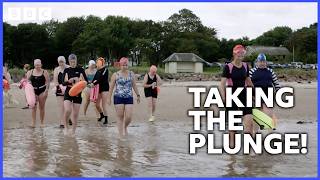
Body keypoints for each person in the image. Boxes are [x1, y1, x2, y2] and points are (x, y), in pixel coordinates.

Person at [219, 45, 254, 147]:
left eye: (242, 53)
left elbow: (248, 81)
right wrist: (224, 98)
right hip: (231, 95)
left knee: (249, 122)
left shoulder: (246, 66)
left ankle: (249, 147)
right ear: (234, 53)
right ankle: (232, 147)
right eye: (239, 53)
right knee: (233, 125)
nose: (241, 55)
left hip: (244, 94)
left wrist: (255, 94)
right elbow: (222, 84)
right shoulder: (228, 67)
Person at [108, 57, 140, 138]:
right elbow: (111, 88)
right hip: (118, 97)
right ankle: (120, 134)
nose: (124, 66)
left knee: (129, 116)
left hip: (129, 97)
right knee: (120, 116)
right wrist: (109, 98)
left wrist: (138, 95)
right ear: (120, 65)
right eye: (123, 65)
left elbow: (134, 85)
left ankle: (125, 127)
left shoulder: (131, 74)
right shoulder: (115, 75)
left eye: (126, 65)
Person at [249, 53, 280, 128]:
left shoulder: (270, 71)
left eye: (263, 61)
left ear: (266, 62)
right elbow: (247, 84)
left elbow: (276, 84)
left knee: (268, 114)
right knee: (256, 115)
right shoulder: (252, 71)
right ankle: (255, 133)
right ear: (257, 62)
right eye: (260, 61)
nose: (262, 63)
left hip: (268, 95)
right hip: (255, 96)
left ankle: (271, 130)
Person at [62, 54, 88, 136]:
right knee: (68, 110)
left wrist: (80, 80)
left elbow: (86, 82)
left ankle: (73, 131)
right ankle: (66, 128)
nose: (73, 63)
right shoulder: (66, 70)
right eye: (71, 62)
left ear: (76, 61)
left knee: (75, 114)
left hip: (78, 92)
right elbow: (63, 83)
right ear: (69, 61)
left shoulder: (80, 70)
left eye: (74, 61)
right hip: (68, 92)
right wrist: (69, 81)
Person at [26, 59, 50, 128]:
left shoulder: (44, 72)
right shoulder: (30, 72)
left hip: (42, 90)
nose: (37, 66)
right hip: (33, 91)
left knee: (41, 107)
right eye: (36, 65)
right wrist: (28, 93)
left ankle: (42, 123)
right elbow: (28, 83)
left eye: (38, 65)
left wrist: (46, 90)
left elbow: (48, 82)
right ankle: (33, 123)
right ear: (34, 65)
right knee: (33, 107)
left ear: (41, 64)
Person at [91, 57, 110, 125]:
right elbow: (94, 79)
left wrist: (94, 83)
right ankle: (101, 115)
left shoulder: (105, 69)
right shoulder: (97, 70)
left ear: (102, 63)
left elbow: (101, 78)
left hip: (105, 88)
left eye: (98, 62)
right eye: (97, 62)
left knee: (103, 105)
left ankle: (106, 118)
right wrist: (91, 83)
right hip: (98, 88)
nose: (97, 64)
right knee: (96, 105)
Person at [53, 56, 70, 128]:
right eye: (60, 62)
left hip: (69, 88)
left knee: (68, 107)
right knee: (61, 107)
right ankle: (62, 123)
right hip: (59, 88)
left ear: (65, 61)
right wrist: (58, 87)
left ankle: (68, 118)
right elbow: (55, 80)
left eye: (62, 61)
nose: (61, 63)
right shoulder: (56, 69)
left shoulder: (69, 68)